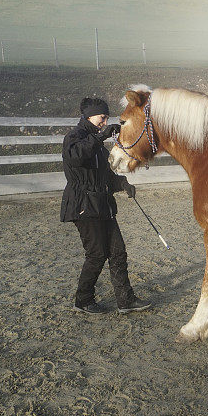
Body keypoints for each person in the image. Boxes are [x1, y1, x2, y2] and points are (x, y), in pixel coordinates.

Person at [60, 96, 151, 315]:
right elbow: (76, 158)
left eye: (106, 118)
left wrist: (122, 183)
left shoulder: (96, 142)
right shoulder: (75, 137)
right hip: (83, 204)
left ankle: (125, 300)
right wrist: (100, 137)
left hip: (103, 205)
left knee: (118, 251)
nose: (104, 121)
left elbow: (104, 176)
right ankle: (83, 300)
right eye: (102, 117)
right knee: (97, 254)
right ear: (89, 116)